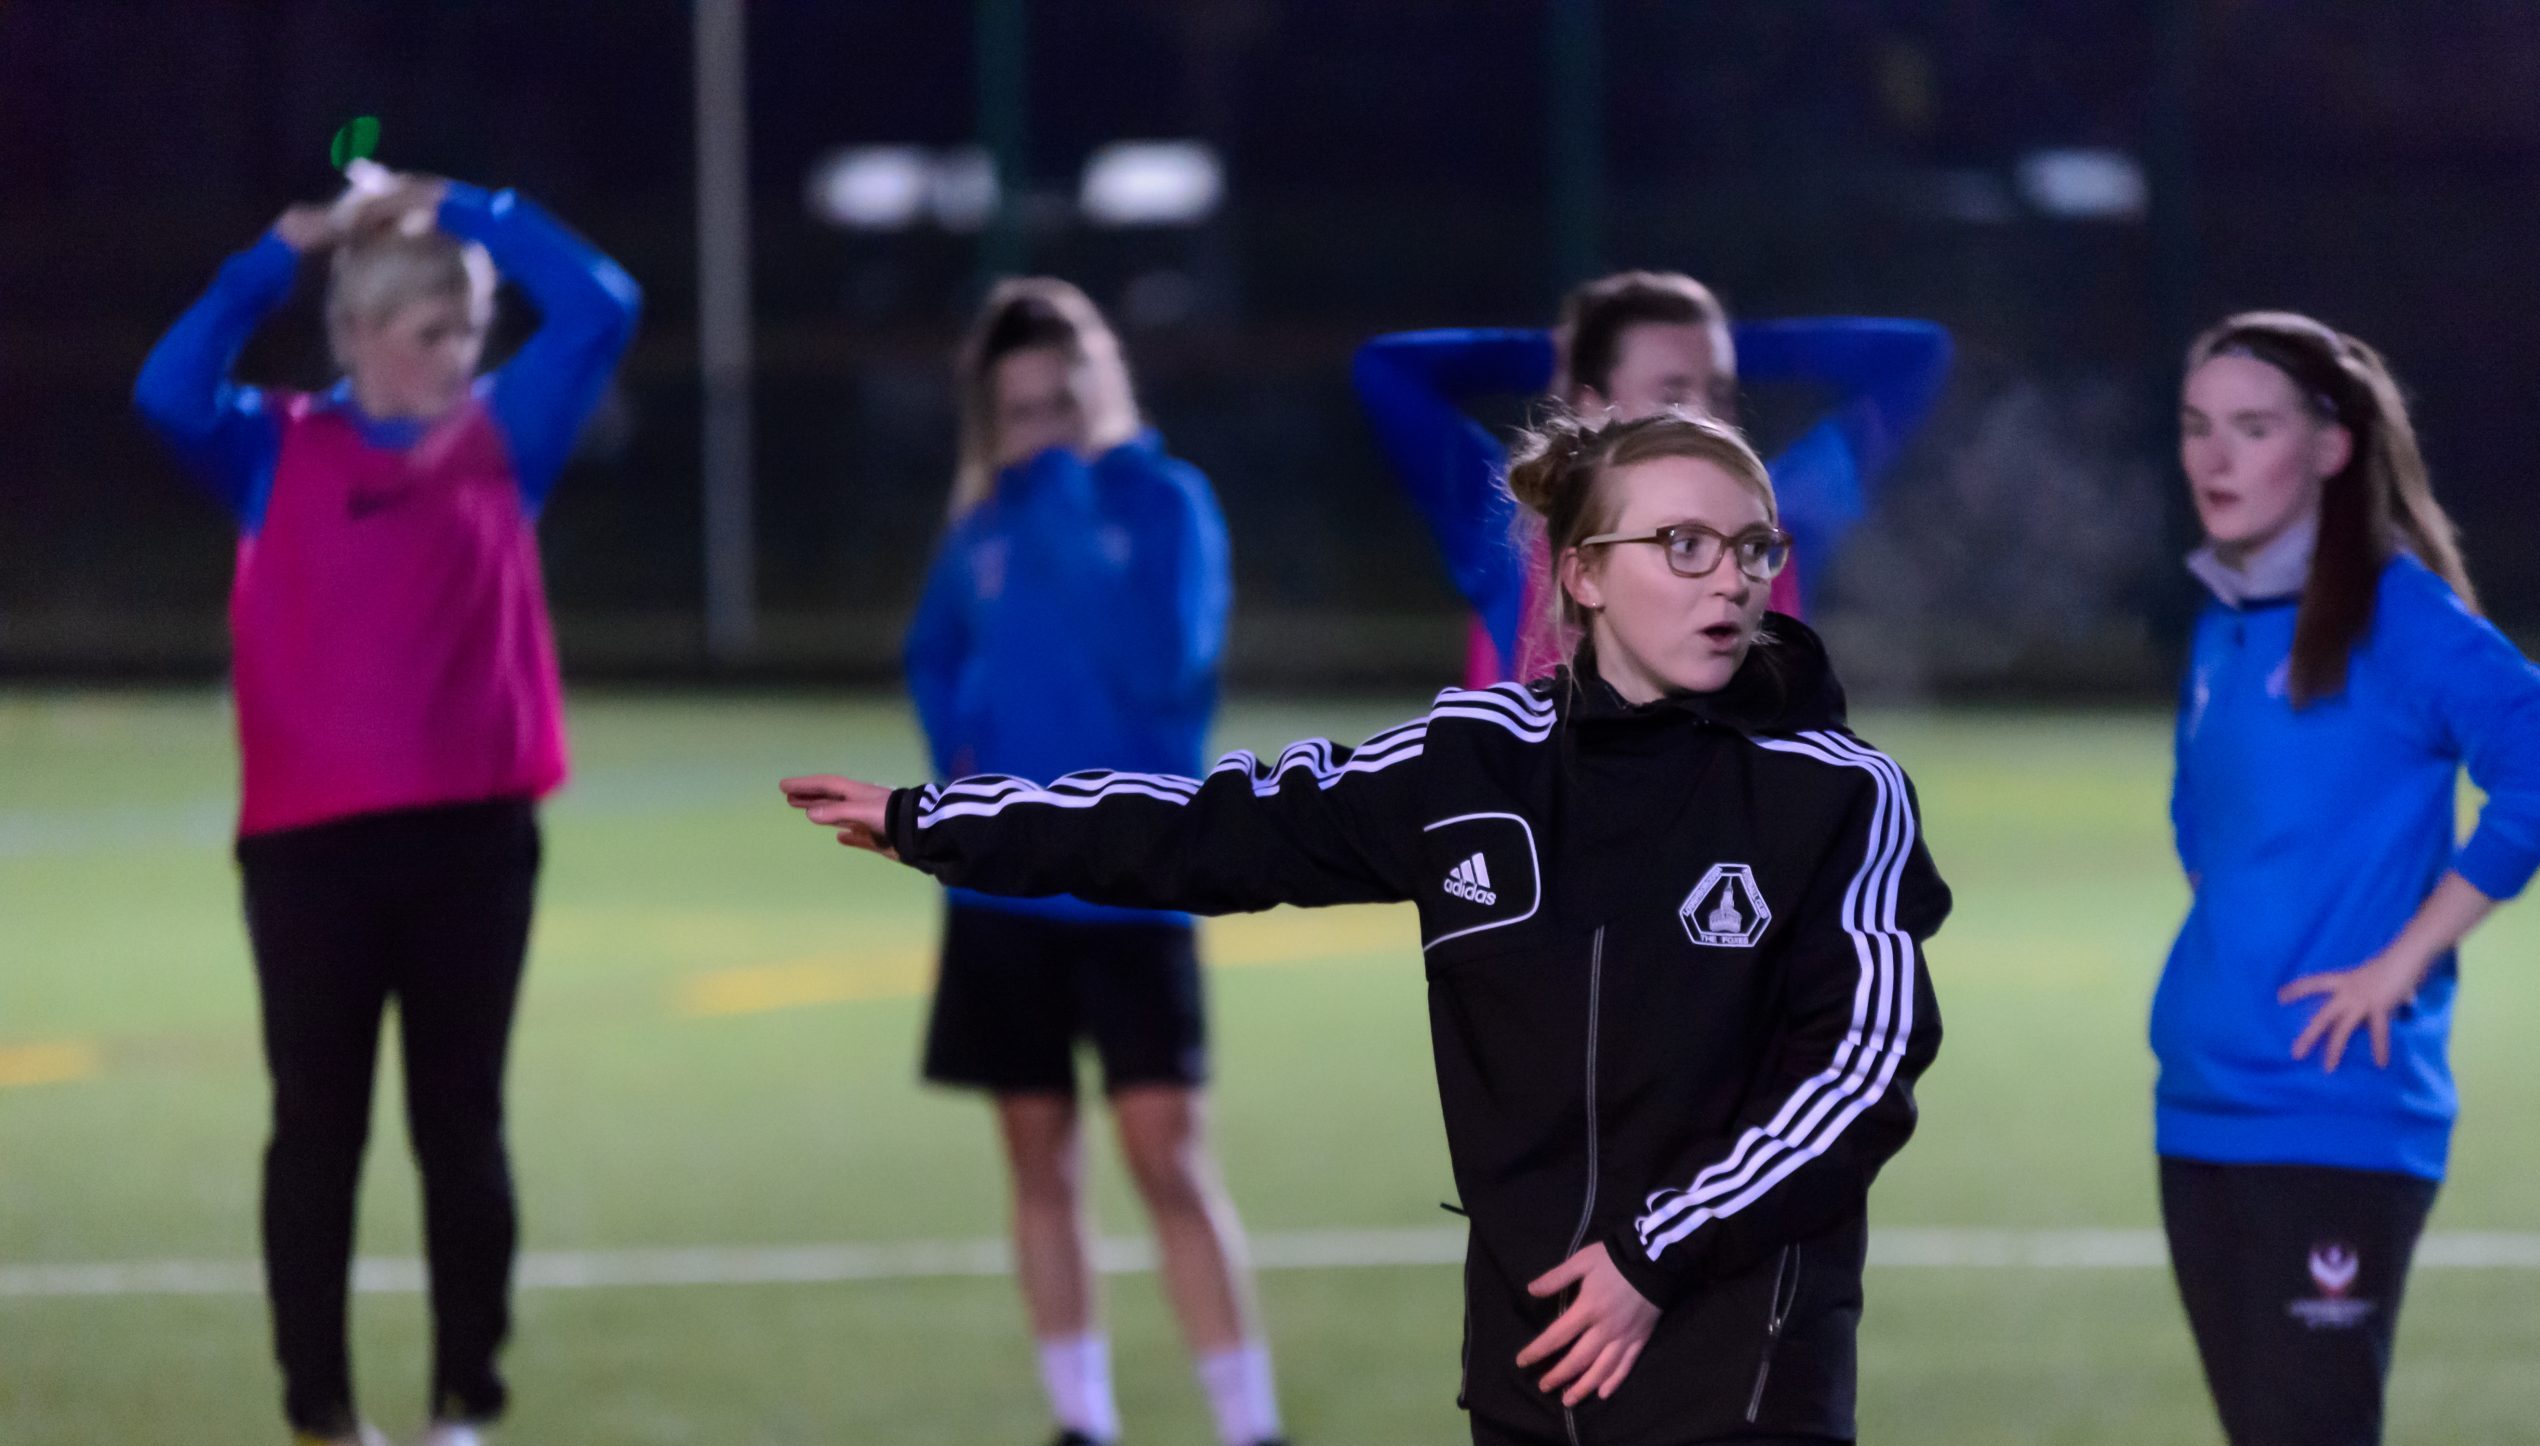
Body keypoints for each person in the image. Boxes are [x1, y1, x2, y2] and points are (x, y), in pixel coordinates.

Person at [789, 409, 1950, 1446]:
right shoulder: (1467, 765)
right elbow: (1207, 829)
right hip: (1531, 1364)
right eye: (1684, 545)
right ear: (1584, 573)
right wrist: (938, 820)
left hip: (1737, 1369)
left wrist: (1658, 1255)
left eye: (1755, 549)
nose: (1732, 582)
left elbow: (1859, 1072)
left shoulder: (1833, 793)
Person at [133, 169, 640, 1446]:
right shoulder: (273, 442)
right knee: (316, 1133)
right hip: (309, 851)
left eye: (469, 333)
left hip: (474, 841)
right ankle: (320, 1411)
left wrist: (458, 202)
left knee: (459, 1124)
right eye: (431, 334)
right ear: (358, 334)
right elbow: (164, 389)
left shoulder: (501, 436)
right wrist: (271, 259)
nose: (458, 358)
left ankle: (463, 1403)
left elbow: (600, 304)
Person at [2155, 311, 2540, 1446]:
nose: (2214, 457)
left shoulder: (2404, 619)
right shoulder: (2221, 626)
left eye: (2251, 427)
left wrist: (2401, 960)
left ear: (2330, 447)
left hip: (2337, 1109)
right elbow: (2207, 830)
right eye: (2196, 426)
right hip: (2197, 1104)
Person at [899, 278, 1284, 1446]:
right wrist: (959, 766)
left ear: (1097, 388)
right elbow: (932, 653)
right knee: (1038, 1164)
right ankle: (1081, 1421)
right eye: (1016, 413)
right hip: (1005, 887)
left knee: (1167, 1158)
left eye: (1056, 403)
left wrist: (1065, 492)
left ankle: (1248, 1425)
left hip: (1132, 878)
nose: (1040, 431)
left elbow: (1163, 666)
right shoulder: (985, 524)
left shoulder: (1163, 502)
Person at [1353, 269, 1950, 686]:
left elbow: (1917, 357)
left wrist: (1714, 342)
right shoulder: (1512, 525)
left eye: (1719, 390)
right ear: (1590, 404)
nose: (1706, 415)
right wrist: (1556, 353)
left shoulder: (1779, 517)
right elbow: (1387, 371)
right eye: (1673, 391)